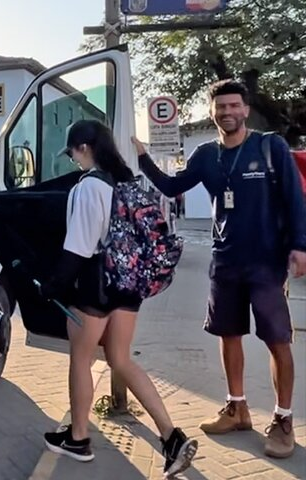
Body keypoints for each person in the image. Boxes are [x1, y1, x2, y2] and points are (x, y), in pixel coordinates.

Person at [133, 79, 306, 459]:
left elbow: (294, 197)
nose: (227, 113)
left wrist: (299, 246)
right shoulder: (206, 156)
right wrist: (142, 156)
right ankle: (237, 407)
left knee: (278, 340)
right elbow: (172, 184)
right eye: (220, 107)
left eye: (234, 106)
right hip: (225, 260)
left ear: (245, 110)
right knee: (228, 334)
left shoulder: (269, 146)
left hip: (266, 260)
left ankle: (282, 419)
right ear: (212, 112)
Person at [40, 120, 198, 477]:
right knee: (120, 359)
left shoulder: (89, 187)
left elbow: (79, 246)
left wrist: (54, 284)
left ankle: (78, 438)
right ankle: (172, 437)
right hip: (129, 284)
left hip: (96, 285)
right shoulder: (128, 182)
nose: (74, 160)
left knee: (81, 359)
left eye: (73, 153)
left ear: (83, 147)